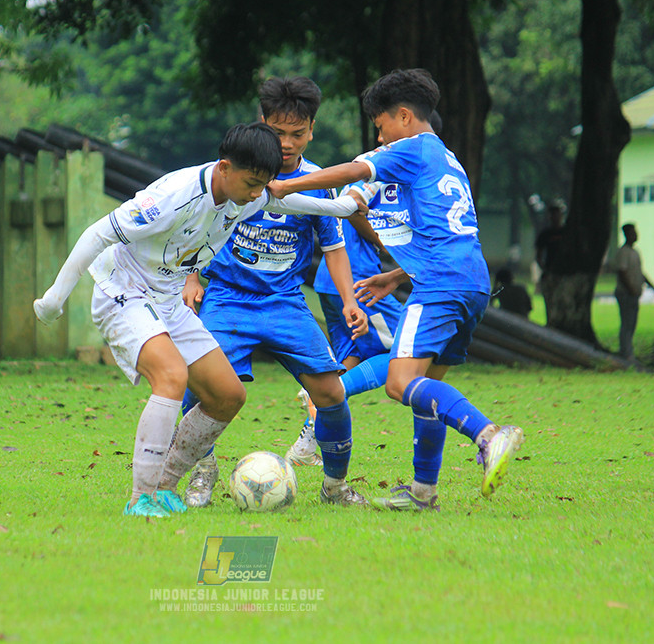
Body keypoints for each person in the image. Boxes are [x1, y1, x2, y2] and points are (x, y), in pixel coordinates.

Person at [33, 122, 366, 518]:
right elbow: (97, 234)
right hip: (124, 292)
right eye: (252, 182)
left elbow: (287, 203)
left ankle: (166, 487)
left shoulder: (246, 195)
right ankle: (141, 497)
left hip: (169, 300)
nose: (258, 193)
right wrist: (54, 298)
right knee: (172, 377)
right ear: (224, 167)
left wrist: (344, 207)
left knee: (228, 395)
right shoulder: (172, 197)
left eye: (264, 184)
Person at [269, 68, 524, 512]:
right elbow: (444, 232)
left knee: (399, 381)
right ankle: (424, 492)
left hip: (440, 287)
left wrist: (285, 186)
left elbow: (352, 170)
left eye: (381, 125)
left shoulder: (409, 148)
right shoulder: (445, 158)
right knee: (427, 390)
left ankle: (488, 435)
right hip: (471, 283)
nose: (380, 136)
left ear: (403, 116)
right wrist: (395, 278)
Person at [180, 77, 370, 509]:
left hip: (284, 303)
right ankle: (202, 469)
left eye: (297, 134)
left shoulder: (319, 181)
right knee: (200, 385)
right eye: (279, 132)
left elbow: (335, 248)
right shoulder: (230, 172)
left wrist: (349, 300)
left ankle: (335, 486)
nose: (287, 144)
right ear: (262, 122)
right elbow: (196, 228)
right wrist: (193, 279)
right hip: (227, 298)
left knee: (331, 393)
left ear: (312, 130)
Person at [613, 224, 654, 360]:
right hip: (626, 293)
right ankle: (626, 352)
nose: (635, 235)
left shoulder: (635, 252)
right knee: (627, 323)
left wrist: (653, 287)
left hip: (634, 293)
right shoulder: (624, 252)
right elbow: (622, 272)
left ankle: (628, 350)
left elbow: (639, 273)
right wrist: (631, 288)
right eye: (632, 232)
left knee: (632, 323)